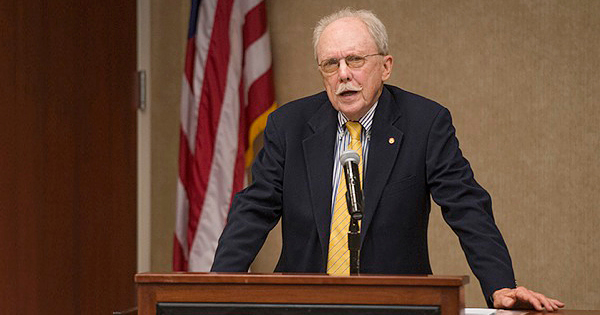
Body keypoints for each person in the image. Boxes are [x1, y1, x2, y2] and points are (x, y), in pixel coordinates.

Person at [212, 8, 564, 311]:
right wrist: (214, 288)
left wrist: (500, 284)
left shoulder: (424, 123)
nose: (343, 74)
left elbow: (467, 206)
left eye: (355, 60)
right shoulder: (289, 124)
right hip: (302, 303)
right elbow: (254, 208)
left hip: (398, 303)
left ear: (386, 66)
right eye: (331, 64)